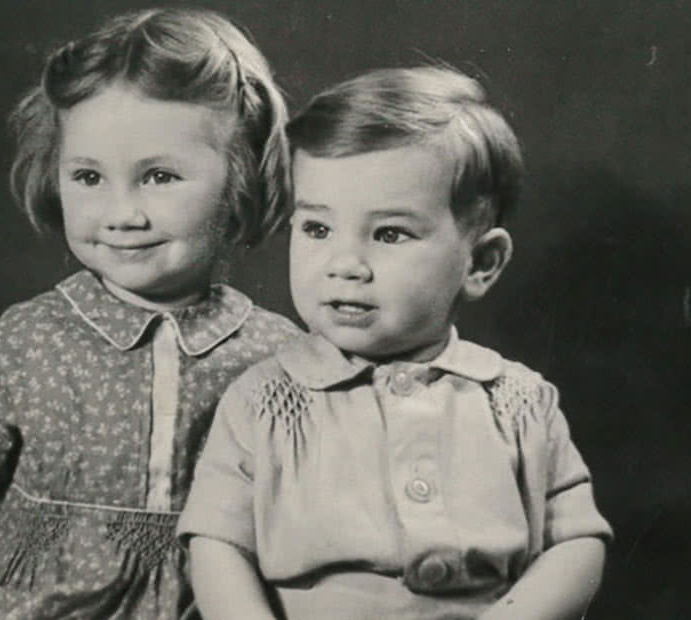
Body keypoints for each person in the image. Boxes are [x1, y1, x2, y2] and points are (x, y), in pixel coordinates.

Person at [0, 8, 299, 619]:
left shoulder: (281, 357)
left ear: (241, 179)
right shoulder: (20, 341)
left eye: (159, 176)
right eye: (89, 176)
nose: (121, 212)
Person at [178, 66, 613, 620]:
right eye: (316, 229)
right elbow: (216, 546)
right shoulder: (263, 401)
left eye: (389, 234)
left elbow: (576, 544)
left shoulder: (520, 402)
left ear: (480, 263)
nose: (345, 265)